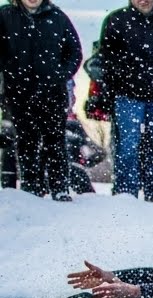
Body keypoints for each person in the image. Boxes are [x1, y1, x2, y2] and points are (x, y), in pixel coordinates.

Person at [98, 0, 153, 201]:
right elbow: (106, 59)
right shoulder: (117, 21)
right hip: (128, 97)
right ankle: (126, 193)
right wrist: (112, 89)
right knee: (128, 146)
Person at [0, 0, 82, 200]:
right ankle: (31, 187)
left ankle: (59, 187)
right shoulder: (5, 16)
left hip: (53, 93)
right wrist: (8, 73)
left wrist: (61, 75)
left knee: (55, 141)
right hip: (19, 92)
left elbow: (75, 52)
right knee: (26, 141)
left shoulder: (57, 17)